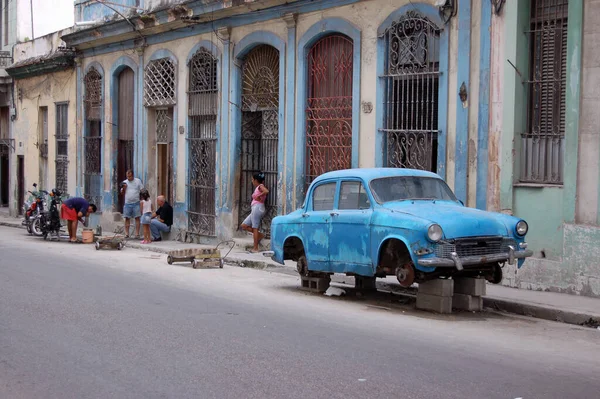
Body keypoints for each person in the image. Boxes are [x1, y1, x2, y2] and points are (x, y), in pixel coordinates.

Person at [240, 172, 269, 252]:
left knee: (255, 227)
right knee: (244, 225)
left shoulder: (260, 186)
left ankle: (255, 248)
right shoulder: (258, 187)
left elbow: (266, 191)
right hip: (255, 208)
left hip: (257, 208)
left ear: (256, 180)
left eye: (253, 180)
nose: (252, 181)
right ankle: (260, 235)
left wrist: (259, 196)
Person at [120, 169, 144, 239]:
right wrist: (124, 188)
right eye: (127, 176)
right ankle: (127, 233)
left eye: (130, 176)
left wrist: (142, 200)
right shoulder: (124, 182)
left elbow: (142, 190)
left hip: (136, 202)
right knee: (127, 218)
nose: (129, 178)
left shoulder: (138, 181)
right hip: (127, 203)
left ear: (133, 175)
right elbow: (122, 193)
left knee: (137, 218)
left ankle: (137, 233)